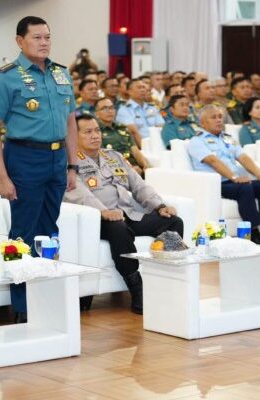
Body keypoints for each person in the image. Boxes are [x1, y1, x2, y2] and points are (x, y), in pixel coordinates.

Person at [0, 16, 79, 324]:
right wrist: (1, 176)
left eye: (47, 37)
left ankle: (45, 294)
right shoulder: (7, 77)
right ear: (20, 41)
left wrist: (73, 165)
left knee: (49, 229)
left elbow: (70, 122)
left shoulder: (60, 74)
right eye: (37, 37)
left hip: (55, 159)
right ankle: (22, 305)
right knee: (22, 232)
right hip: (24, 157)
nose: (44, 42)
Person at [64, 114, 182, 314]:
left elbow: (139, 186)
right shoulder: (69, 162)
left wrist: (159, 205)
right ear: (74, 136)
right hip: (97, 219)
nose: (95, 136)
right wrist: (104, 212)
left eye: (97, 130)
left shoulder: (114, 157)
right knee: (118, 228)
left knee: (173, 221)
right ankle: (137, 290)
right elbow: (80, 194)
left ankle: (166, 279)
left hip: (128, 214)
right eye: (88, 132)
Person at [187, 105, 260, 244]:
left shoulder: (228, 138)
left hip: (233, 181)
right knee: (245, 187)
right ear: (202, 122)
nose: (219, 120)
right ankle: (253, 231)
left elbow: (242, 157)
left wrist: (258, 173)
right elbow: (213, 161)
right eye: (213, 117)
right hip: (217, 184)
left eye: (220, 117)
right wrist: (234, 177)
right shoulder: (197, 141)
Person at [94, 97, 148, 175]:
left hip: (135, 168)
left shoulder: (122, 128)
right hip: (114, 170)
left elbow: (134, 149)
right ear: (96, 113)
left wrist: (145, 165)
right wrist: (128, 169)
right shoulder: (96, 131)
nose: (109, 111)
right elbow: (101, 158)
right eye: (104, 109)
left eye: (111, 108)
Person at [115, 79, 164, 146]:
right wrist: (146, 149)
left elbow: (161, 127)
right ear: (129, 91)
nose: (143, 90)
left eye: (144, 87)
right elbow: (133, 133)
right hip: (141, 147)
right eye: (139, 87)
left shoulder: (152, 108)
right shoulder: (124, 110)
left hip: (159, 144)